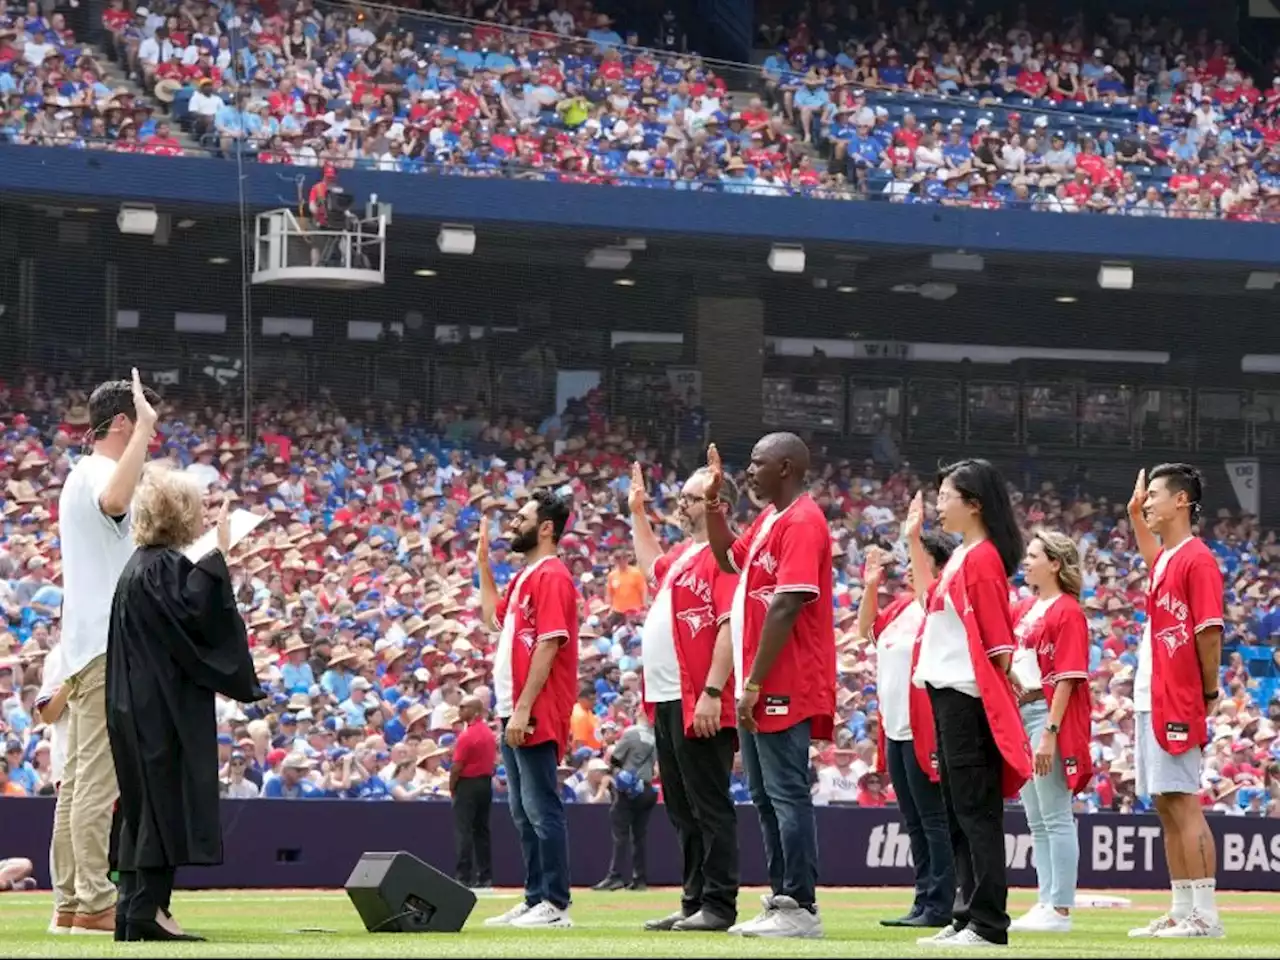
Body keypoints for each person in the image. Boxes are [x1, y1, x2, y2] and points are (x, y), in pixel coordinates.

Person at [106, 479, 264, 942]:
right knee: (161, 802)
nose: (201, 517)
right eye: (196, 510)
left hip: (135, 705)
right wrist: (216, 556)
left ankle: (133, 908)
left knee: (143, 807)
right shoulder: (160, 569)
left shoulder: (140, 567)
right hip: (158, 709)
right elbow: (198, 617)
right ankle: (150, 909)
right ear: (177, 514)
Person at [704, 435, 834, 940]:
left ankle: (800, 904)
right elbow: (725, 560)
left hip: (783, 678)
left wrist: (754, 680)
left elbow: (787, 604)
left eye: (757, 463)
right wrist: (716, 503)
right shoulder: (769, 521)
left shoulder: (803, 520)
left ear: (785, 467)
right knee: (762, 795)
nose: (749, 471)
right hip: (761, 680)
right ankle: (782, 897)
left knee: (785, 793)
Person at [53, 370, 158, 936]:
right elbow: (118, 498)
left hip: (85, 644)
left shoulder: (77, 473)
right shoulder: (99, 471)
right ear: (122, 422)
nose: (151, 438)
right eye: (141, 424)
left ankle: (72, 900)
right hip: (104, 646)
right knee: (97, 780)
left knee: (77, 780)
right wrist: (144, 430)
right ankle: (94, 899)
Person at [911, 459, 1033, 949]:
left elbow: (997, 640)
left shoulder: (981, 559)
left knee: (974, 811)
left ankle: (987, 921)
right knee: (958, 809)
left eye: (946, 495)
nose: (939, 503)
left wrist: (1008, 681)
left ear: (974, 504)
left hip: (967, 696)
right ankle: (966, 915)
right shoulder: (964, 555)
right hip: (948, 692)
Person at [631, 461, 740, 933]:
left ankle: (719, 903)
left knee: (709, 805)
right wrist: (638, 511)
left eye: (692, 497)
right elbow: (648, 563)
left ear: (719, 504)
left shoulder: (725, 553)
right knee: (681, 808)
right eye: (684, 496)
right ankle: (694, 899)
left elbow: (729, 625)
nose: (682, 503)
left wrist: (713, 691)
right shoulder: (682, 556)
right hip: (667, 697)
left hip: (699, 696)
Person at [1126, 465, 1225, 939]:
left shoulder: (1197, 559)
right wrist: (1134, 515)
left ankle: (1206, 915)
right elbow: (1152, 556)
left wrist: (1207, 691)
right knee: (1165, 803)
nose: (1148, 503)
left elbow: (1209, 633)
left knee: (1184, 801)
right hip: (1151, 693)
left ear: (1182, 501)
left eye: (1156, 496)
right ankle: (1182, 907)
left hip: (1178, 695)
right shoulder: (1167, 558)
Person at [479, 490, 579, 930]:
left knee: (541, 807)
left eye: (521, 517)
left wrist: (522, 709)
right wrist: (483, 565)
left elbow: (551, 642)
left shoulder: (552, 575)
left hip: (532, 707)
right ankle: (535, 895)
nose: (511, 524)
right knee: (523, 809)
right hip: (513, 707)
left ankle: (555, 903)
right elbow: (492, 620)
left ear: (545, 528)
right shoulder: (525, 577)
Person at [863, 529, 957, 929]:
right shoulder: (902, 608)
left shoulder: (940, 606)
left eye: (915, 557)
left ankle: (941, 903)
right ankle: (923, 900)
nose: (905, 569)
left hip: (925, 728)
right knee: (915, 820)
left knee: (934, 819)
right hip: (897, 728)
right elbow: (866, 630)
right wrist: (870, 587)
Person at [1008, 530, 1093, 933]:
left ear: (1055, 563)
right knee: (1036, 819)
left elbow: (1067, 678)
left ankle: (1059, 907)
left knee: (1055, 814)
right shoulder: (1024, 608)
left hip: (1045, 713)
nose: (1026, 561)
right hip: (1021, 711)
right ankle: (1045, 900)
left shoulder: (1068, 611)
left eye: (1033, 555)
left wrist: (1050, 732)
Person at [595, 712, 658, 893]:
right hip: (646, 788)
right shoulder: (654, 737)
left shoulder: (631, 732)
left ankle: (615, 876)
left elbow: (615, 758)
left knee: (620, 834)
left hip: (628, 788)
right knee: (639, 836)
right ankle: (640, 878)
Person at [450, 695, 497, 889]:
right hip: (485, 784)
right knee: (482, 830)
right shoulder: (488, 733)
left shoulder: (467, 735)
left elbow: (457, 766)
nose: (460, 711)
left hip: (467, 784)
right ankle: (485, 876)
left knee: (464, 830)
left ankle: (463, 876)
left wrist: (452, 786)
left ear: (474, 711)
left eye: (463, 708)